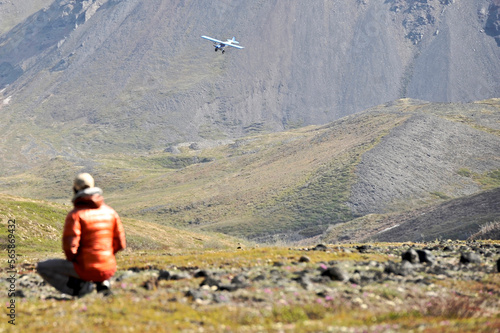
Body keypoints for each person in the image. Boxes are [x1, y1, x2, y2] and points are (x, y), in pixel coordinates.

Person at [37, 173, 126, 297]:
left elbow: (70, 248)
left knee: (42, 267)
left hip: (85, 269)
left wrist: (77, 264)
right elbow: (121, 244)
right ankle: (103, 281)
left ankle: (82, 289)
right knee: (98, 265)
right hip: (109, 268)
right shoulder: (111, 212)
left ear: (75, 189)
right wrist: (106, 257)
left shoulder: (75, 215)